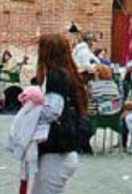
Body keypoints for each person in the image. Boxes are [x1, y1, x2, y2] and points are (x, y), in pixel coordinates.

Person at [36, 33, 90, 193]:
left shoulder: (56, 76)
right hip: (63, 149)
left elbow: (53, 111)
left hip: (57, 149)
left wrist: (31, 111)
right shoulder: (68, 74)